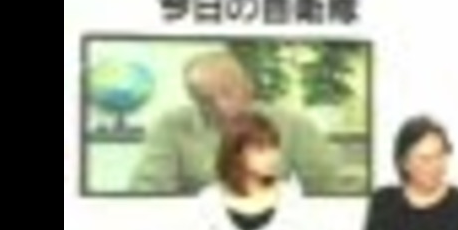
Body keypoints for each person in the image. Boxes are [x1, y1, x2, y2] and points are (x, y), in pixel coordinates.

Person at [130, 50, 339, 195]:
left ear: (248, 87)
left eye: (227, 93)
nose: (220, 106)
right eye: (206, 100)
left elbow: (329, 186)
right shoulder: (170, 126)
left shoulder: (294, 124)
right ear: (192, 99)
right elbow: (148, 191)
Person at [361, 116, 458, 230]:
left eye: (440, 156)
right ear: (404, 163)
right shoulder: (383, 202)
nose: (436, 166)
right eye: (425, 159)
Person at [195, 112, 299, 230]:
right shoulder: (209, 199)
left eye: (274, 148)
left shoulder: (290, 197)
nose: (273, 157)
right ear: (236, 154)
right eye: (260, 150)